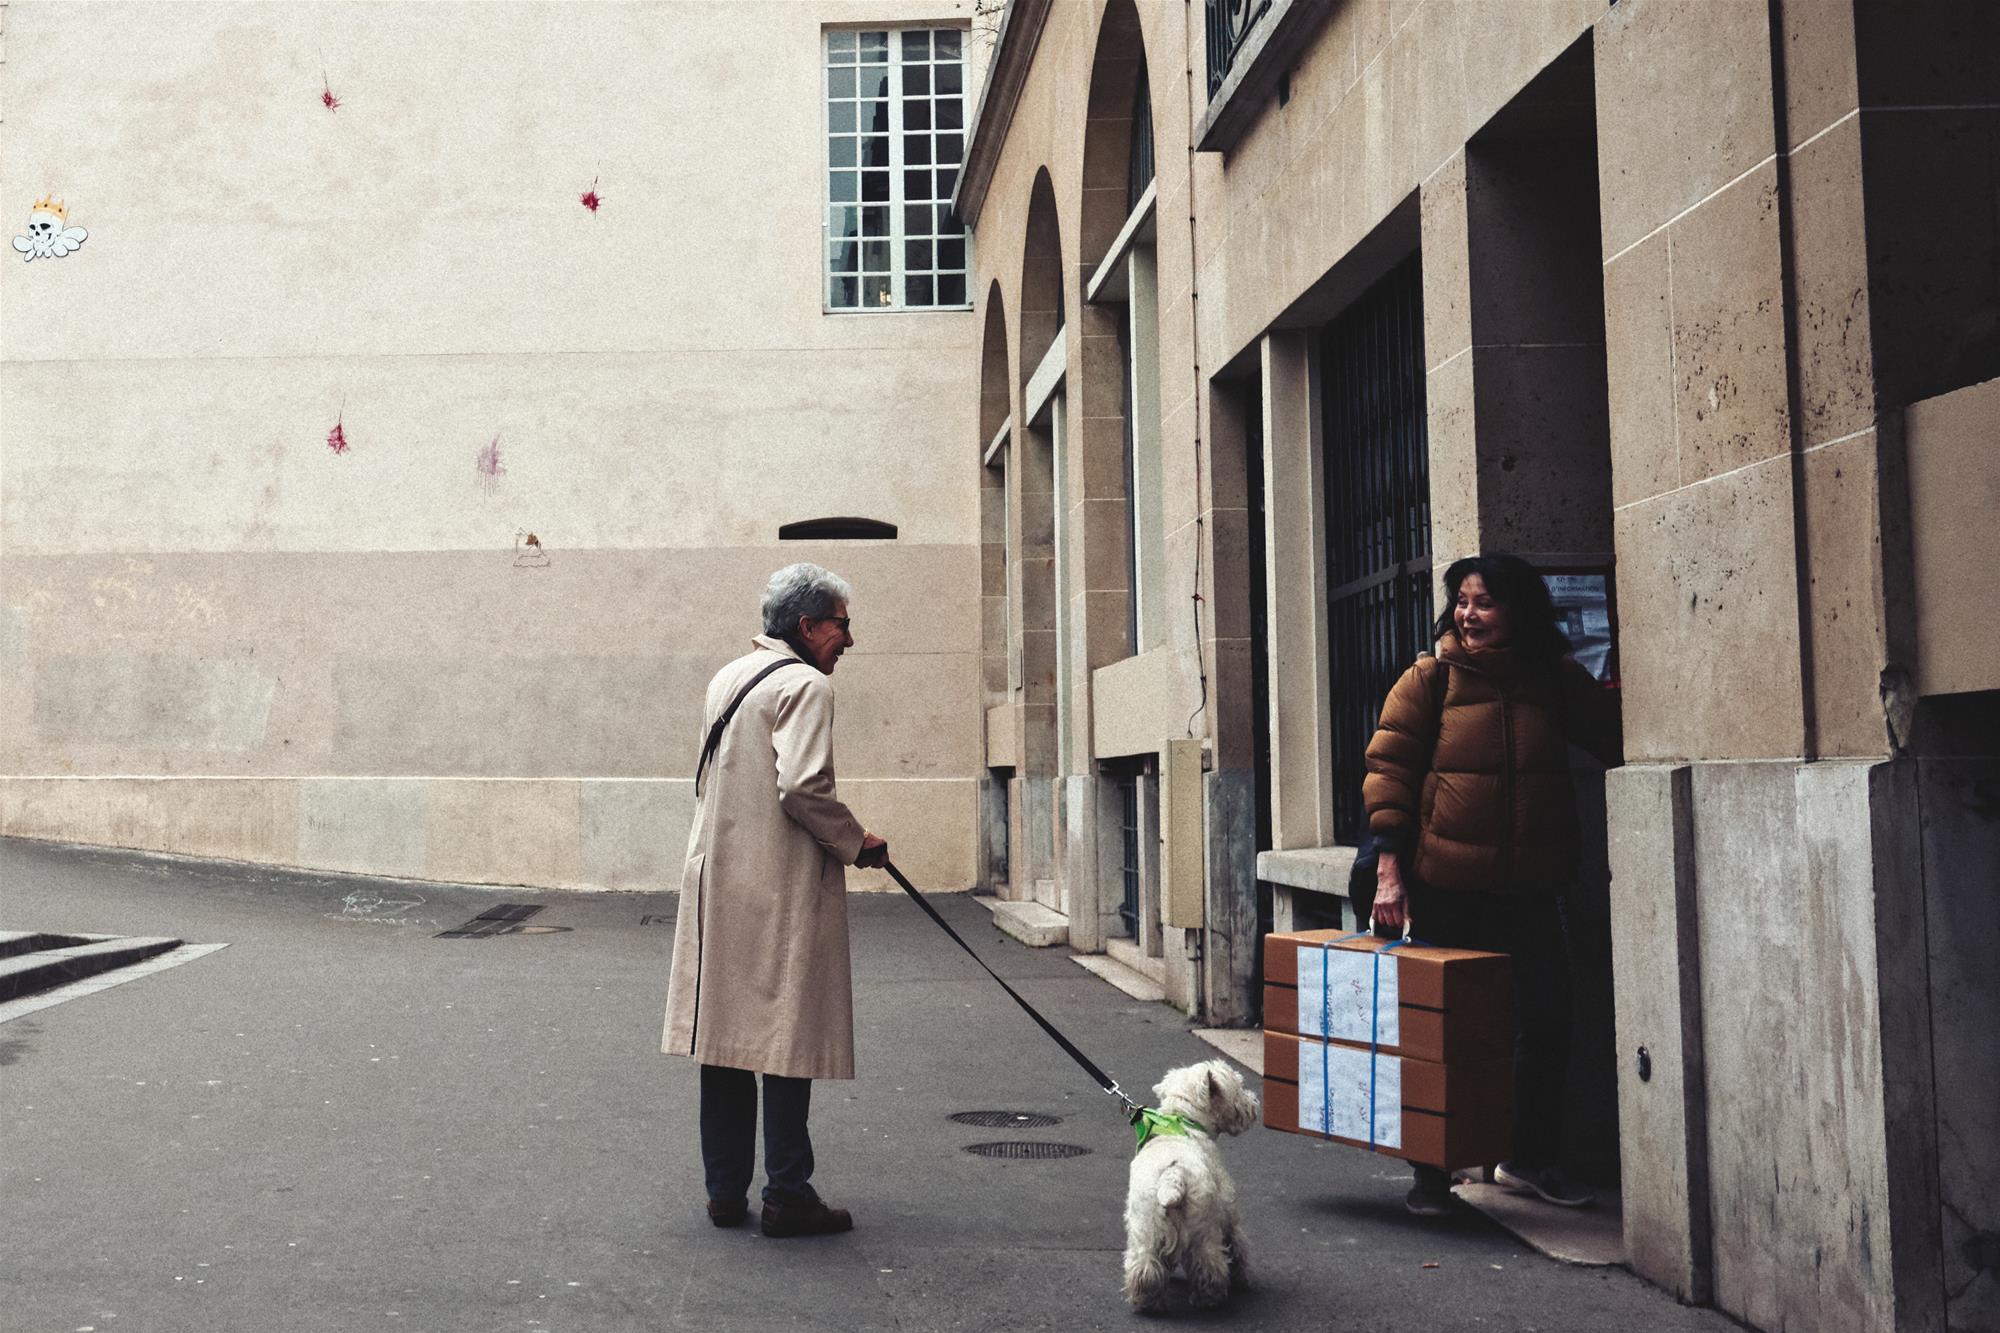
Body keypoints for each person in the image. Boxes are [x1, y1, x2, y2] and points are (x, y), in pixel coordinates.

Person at [1361, 553, 1620, 1217]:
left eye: (1485, 602)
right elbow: (1387, 772)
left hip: (1530, 887)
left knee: (1548, 1019)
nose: (1469, 615)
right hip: (1445, 884)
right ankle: (1431, 1172)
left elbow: (1616, 736)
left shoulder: (1553, 680)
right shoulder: (1430, 677)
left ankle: (1529, 1158)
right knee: (1441, 1026)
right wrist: (1389, 872)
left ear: (1519, 610)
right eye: (1462, 602)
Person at [660, 562, 890, 1237]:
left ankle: (724, 1192)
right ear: (808, 625)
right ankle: (788, 1193)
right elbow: (803, 788)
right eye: (842, 625)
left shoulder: (728, 677)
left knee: (725, 1038)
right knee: (789, 1037)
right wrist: (856, 842)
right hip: (780, 881)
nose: (849, 640)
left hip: (718, 878)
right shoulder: (806, 686)